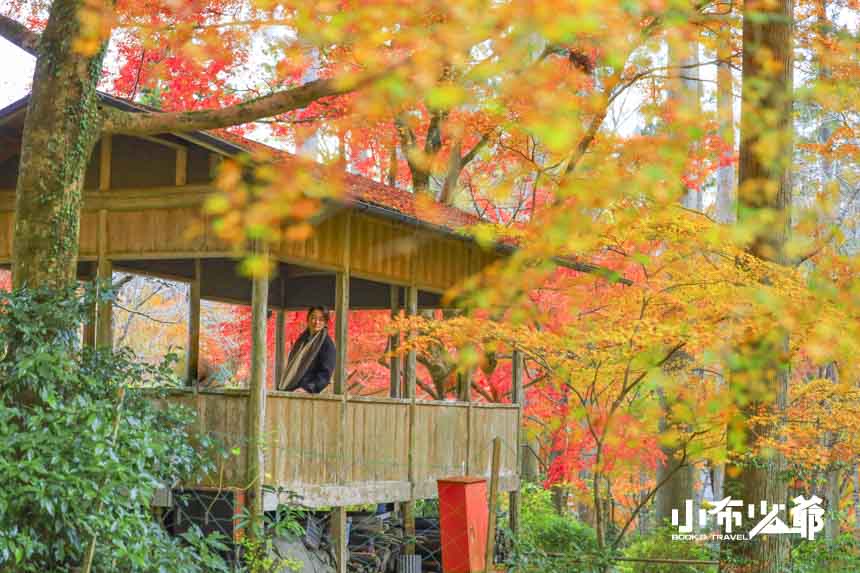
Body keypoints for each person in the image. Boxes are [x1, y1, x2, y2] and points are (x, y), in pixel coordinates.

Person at [278, 306, 336, 394]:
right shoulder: (301, 340)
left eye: (321, 319)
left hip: (306, 394)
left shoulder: (327, 344)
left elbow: (325, 375)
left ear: (325, 322)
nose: (317, 322)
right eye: (313, 318)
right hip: (290, 389)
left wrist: (307, 389)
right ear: (308, 319)